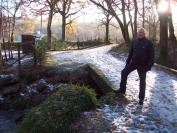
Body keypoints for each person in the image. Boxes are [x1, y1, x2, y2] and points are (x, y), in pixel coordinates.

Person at [114, 27, 155, 105]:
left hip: (143, 65)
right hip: (134, 62)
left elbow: (152, 54)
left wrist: (149, 66)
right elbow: (131, 52)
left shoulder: (148, 42)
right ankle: (122, 90)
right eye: (139, 32)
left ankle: (141, 98)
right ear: (137, 33)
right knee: (124, 72)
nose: (141, 33)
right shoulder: (134, 41)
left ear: (144, 33)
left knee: (142, 81)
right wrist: (128, 62)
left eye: (142, 32)